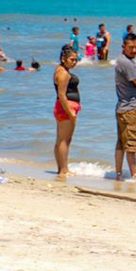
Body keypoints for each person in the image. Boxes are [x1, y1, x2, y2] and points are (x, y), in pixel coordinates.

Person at [113, 33, 136, 180]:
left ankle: (119, 173)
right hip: (131, 108)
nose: (134, 50)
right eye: (131, 47)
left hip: (122, 107)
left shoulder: (124, 61)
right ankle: (134, 175)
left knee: (122, 142)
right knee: (132, 144)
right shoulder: (126, 63)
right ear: (123, 47)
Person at [53, 46, 81, 176]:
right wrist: (70, 113)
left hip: (64, 107)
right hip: (66, 108)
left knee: (60, 139)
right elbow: (62, 94)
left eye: (76, 60)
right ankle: (64, 170)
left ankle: (61, 168)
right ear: (63, 58)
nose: (74, 62)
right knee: (65, 140)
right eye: (72, 59)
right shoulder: (63, 73)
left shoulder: (61, 70)